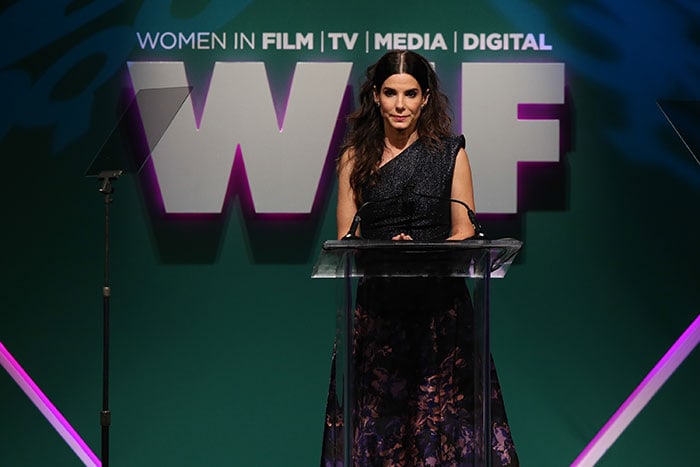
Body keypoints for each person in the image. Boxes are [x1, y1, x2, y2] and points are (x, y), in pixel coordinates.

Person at [321, 50, 519, 466]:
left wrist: (426, 251)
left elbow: (464, 227)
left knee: (445, 423)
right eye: (390, 93)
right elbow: (345, 236)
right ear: (375, 96)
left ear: (426, 98)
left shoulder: (450, 152)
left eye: (410, 94)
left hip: (440, 309)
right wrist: (385, 249)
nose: (400, 104)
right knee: (381, 426)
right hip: (380, 310)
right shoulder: (354, 158)